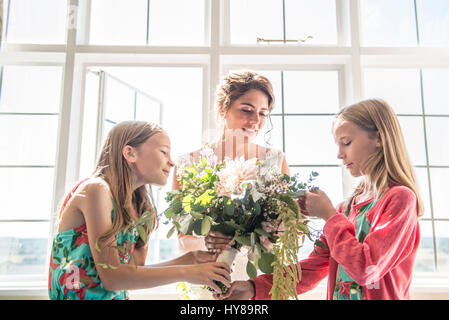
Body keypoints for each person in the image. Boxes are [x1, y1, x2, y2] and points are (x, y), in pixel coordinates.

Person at [217, 99, 422, 300]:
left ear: (379, 139)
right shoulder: (347, 209)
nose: (339, 155)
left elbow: (366, 268)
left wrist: (329, 216)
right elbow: (312, 269)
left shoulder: (400, 199)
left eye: (347, 143)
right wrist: (254, 288)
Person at [48, 121, 231, 300]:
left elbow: (131, 273)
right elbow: (113, 278)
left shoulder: (142, 209)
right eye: (164, 152)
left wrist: (190, 260)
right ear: (130, 153)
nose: (172, 162)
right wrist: (186, 272)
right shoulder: (95, 190)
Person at [173, 70, 290, 282]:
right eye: (247, 110)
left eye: (263, 113)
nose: (256, 120)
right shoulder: (187, 164)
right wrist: (207, 241)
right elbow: (182, 240)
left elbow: (289, 230)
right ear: (222, 109)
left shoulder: (275, 161)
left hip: (259, 279)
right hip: (206, 276)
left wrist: (260, 238)